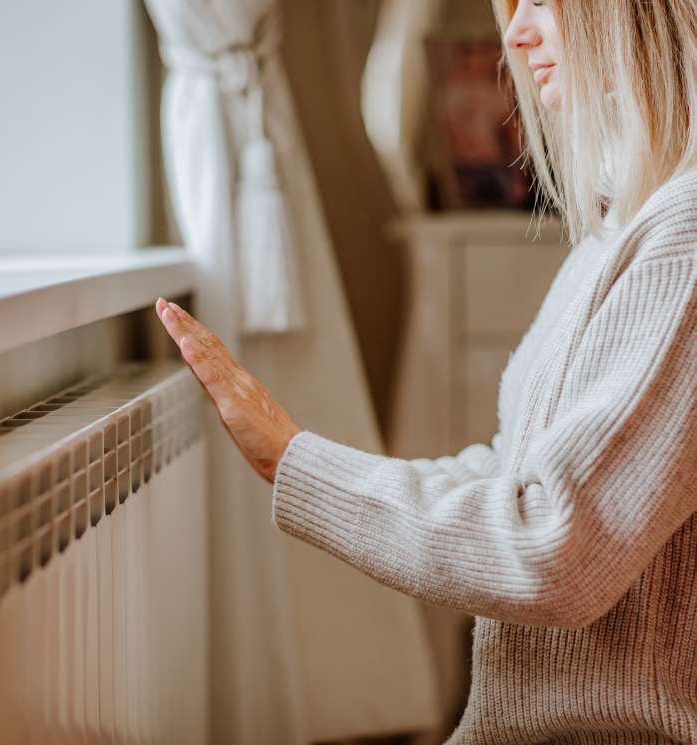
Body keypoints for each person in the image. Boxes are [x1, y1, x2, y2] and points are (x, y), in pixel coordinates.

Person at [157, 0, 697, 741]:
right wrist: (302, 458)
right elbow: (512, 473)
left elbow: (552, 546)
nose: (513, 33)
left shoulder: (684, 240)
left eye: (540, 0)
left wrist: (296, 460)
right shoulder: (619, 230)